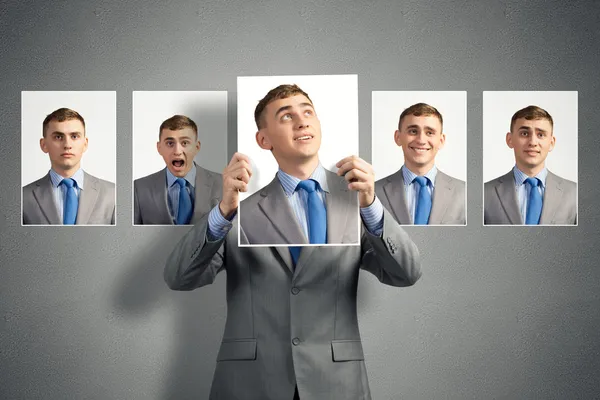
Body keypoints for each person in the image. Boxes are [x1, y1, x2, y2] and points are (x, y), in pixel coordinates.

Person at [164, 84, 422, 400]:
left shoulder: (357, 202)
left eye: (307, 112)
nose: (302, 121)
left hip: (336, 382)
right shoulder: (237, 209)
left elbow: (406, 273)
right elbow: (179, 278)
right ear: (264, 139)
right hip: (250, 383)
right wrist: (222, 211)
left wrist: (371, 206)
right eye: (286, 116)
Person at [484, 105, 577, 225]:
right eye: (524, 133)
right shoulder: (484, 193)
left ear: (551, 143)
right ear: (510, 139)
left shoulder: (575, 193)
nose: (533, 142)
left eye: (541, 135)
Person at [375, 103, 466, 225]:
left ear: (441, 140)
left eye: (429, 133)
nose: (421, 140)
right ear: (398, 137)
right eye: (413, 131)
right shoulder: (373, 192)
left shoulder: (465, 192)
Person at [22, 107, 115, 225]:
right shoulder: (22, 198)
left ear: (85, 144)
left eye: (74, 136)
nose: (67, 145)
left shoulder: (112, 194)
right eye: (58, 137)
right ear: (44, 144)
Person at [133, 115, 222, 225]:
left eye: (184, 143)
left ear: (197, 147)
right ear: (159, 148)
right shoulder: (139, 188)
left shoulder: (222, 184)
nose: (177, 151)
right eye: (170, 143)